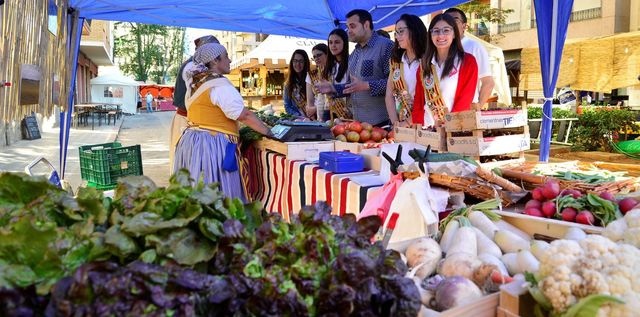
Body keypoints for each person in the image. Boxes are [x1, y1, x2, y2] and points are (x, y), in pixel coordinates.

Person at [174, 42, 273, 201]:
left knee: (197, 192)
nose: (229, 59)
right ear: (214, 61)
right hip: (211, 146)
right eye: (226, 56)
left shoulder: (196, 83)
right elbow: (244, 115)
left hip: (193, 143)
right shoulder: (218, 84)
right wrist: (269, 132)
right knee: (216, 194)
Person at [317, 9, 394, 126]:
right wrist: (332, 88)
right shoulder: (354, 54)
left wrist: (366, 85)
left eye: (352, 26)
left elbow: (395, 85)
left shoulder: (386, 46)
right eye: (347, 27)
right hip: (358, 124)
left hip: (382, 123)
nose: (349, 31)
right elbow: (352, 87)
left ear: (366, 25)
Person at [417, 14, 478, 127]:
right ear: (430, 35)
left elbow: (465, 99)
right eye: (436, 31)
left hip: (455, 130)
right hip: (428, 131)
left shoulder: (468, 61)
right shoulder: (424, 64)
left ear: (454, 33)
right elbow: (419, 102)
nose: (440, 35)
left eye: (446, 30)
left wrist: (449, 125)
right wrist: (418, 128)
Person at [170, 35, 219, 172]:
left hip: (191, 120)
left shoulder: (198, 65)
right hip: (186, 120)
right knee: (186, 163)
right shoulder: (193, 67)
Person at [444, 8, 495, 109]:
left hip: (464, 112)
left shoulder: (474, 47)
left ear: (464, 26)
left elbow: (488, 82)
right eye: (447, 20)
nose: (450, 23)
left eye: (455, 19)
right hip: (439, 112)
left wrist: (477, 107)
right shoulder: (439, 47)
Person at [384, 14, 428, 127]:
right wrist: (395, 123)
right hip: (401, 123)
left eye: (401, 31)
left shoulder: (428, 60)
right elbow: (389, 94)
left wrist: (408, 122)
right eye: (396, 33)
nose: (397, 36)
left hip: (425, 124)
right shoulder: (395, 61)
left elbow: (429, 98)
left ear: (414, 30)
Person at [323, 28, 351, 120]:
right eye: (330, 42)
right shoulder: (328, 66)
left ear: (345, 43)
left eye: (337, 42)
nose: (333, 46)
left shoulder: (352, 62)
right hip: (329, 111)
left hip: (347, 113)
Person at [284, 49, 311, 118]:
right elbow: (287, 106)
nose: (298, 64)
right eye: (295, 61)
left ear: (306, 63)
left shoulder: (311, 80)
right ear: (292, 62)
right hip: (298, 120)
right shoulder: (288, 84)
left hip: (313, 119)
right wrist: (300, 116)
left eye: (301, 61)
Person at [306, 43, 329, 121]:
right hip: (318, 116)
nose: (316, 58)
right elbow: (310, 100)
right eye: (314, 57)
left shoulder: (334, 72)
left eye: (319, 55)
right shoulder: (311, 75)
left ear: (327, 55)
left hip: (335, 111)